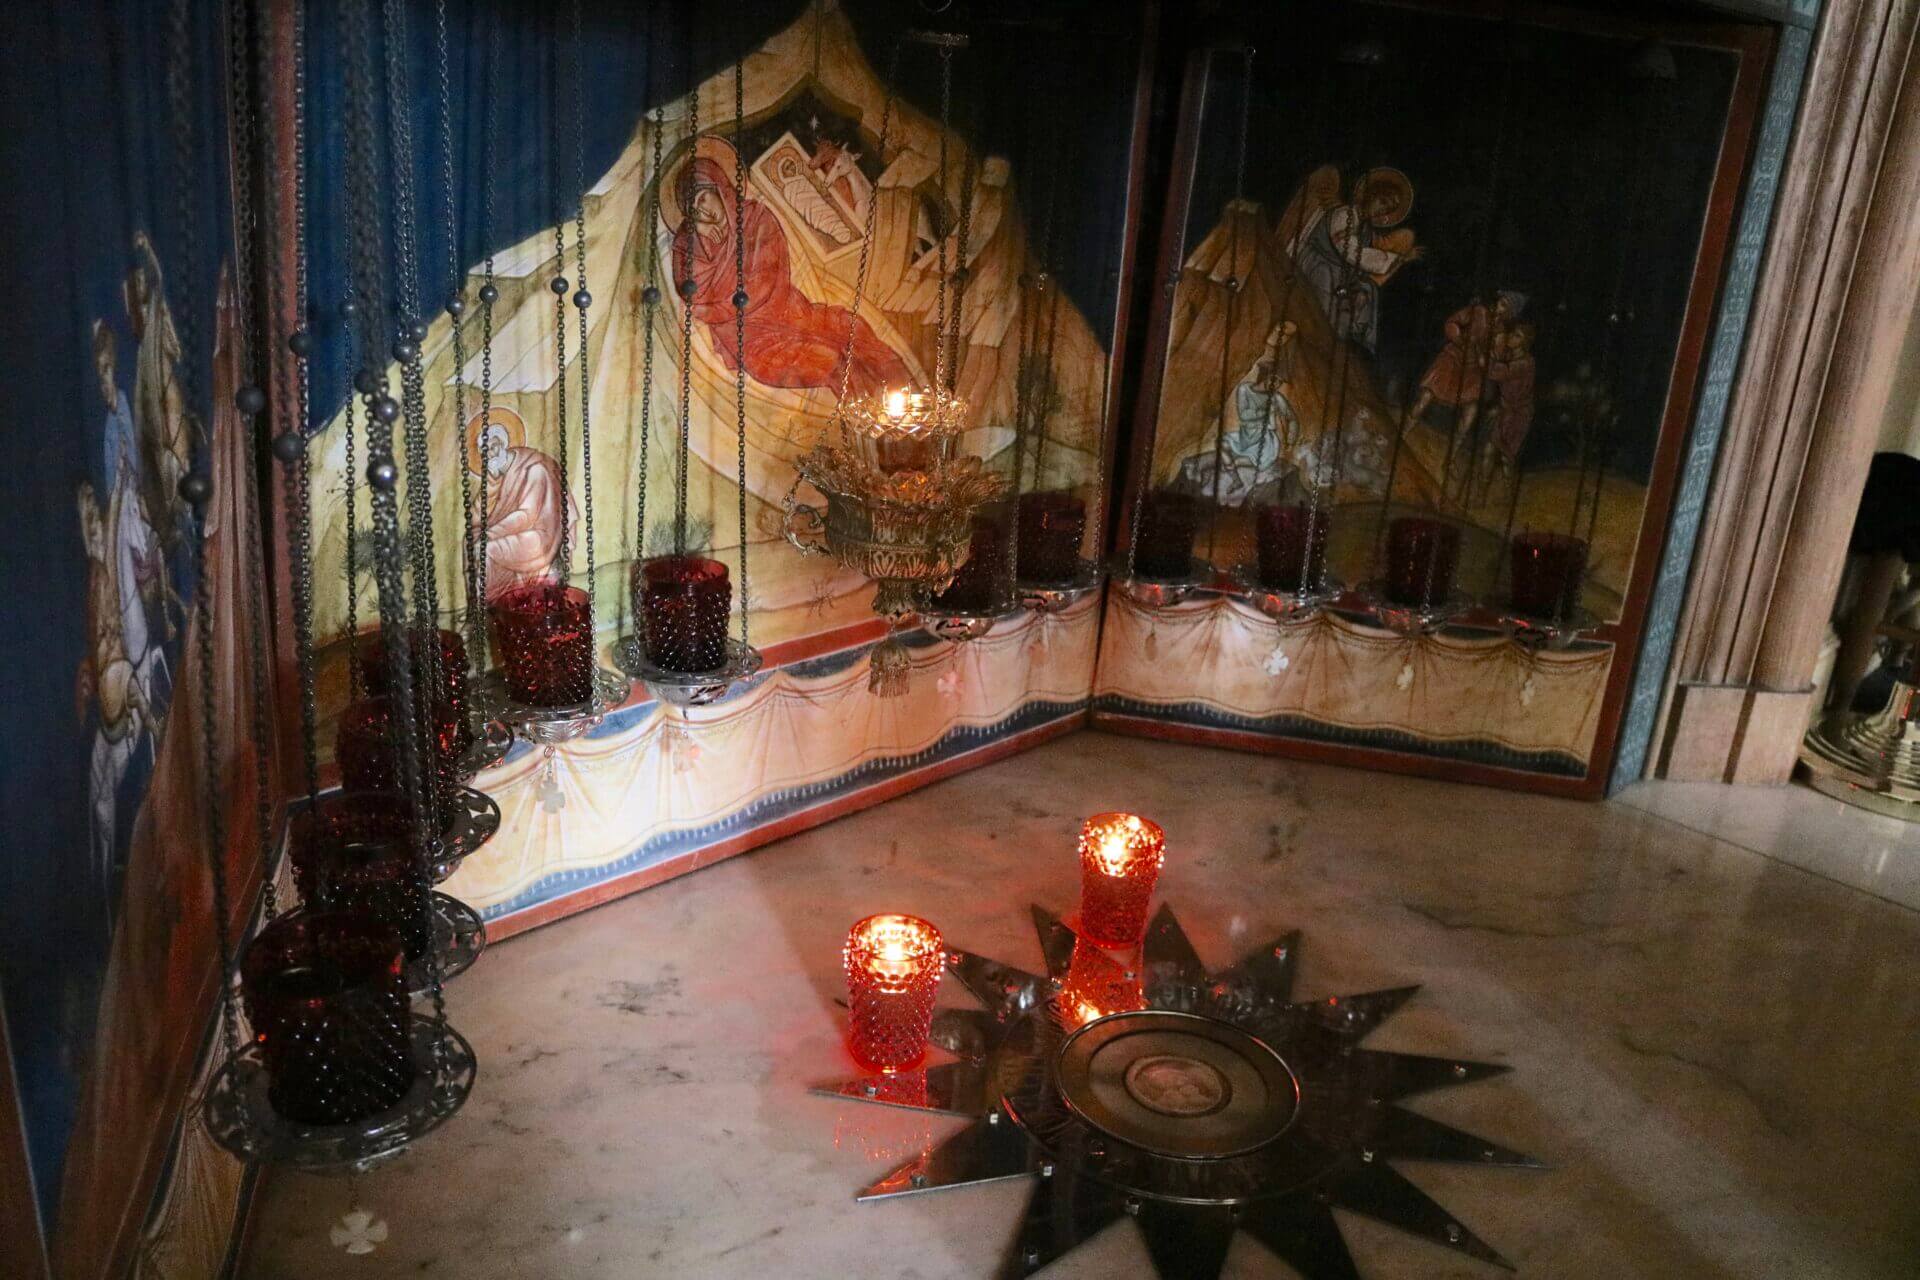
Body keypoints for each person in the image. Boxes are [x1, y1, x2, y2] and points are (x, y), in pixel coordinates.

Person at [669, 140, 911, 394]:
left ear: (719, 187)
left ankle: (911, 397)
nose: (704, 211)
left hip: (791, 315)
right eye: (694, 211)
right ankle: (864, 415)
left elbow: (765, 281)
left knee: (849, 326)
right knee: (830, 360)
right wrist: (699, 238)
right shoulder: (689, 250)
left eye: (703, 198)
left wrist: (727, 301)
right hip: (755, 343)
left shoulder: (756, 217)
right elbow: (696, 299)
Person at [1284, 166, 1423, 352]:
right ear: (1370, 195)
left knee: (1367, 290)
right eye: (1382, 201)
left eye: (1388, 208)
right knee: (1326, 291)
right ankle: (1315, 340)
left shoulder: (1365, 229)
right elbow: (1351, 253)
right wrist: (1400, 258)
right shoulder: (1345, 214)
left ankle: (1345, 342)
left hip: (1338, 272)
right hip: (1317, 263)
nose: (1383, 209)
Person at [1406, 290, 1525, 483]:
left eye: (1507, 309)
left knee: (1469, 416)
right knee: (1425, 398)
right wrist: (1460, 338)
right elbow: (1452, 323)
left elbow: (1494, 357)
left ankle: (1449, 460)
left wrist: (1484, 356)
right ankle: (1403, 433)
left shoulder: (1501, 333)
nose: (1501, 309)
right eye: (1502, 303)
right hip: (1452, 360)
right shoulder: (1478, 311)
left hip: (1473, 374)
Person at [1176, 324, 1301, 506]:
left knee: (1250, 459)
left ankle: (1242, 478)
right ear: (1265, 376)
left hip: (1264, 442)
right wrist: (1265, 413)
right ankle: (1236, 480)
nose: (1276, 384)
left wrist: (1290, 439)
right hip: (1245, 436)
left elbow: (1292, 418)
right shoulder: (1245, 390)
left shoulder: (1276, 398)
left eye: (1279, 382)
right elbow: (1245, 415)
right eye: (1274, 380)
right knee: (1222, 445)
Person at [470, 419, 579, 600]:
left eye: (493, 447)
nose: (491, 454)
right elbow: (476, 515)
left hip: (540, 536)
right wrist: (491, 486)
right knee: (472, 542)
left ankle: (492, 604)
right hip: (516, 532)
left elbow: (526, 516)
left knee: (486, 550)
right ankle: (497, 602)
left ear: (503, 444)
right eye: (485, 451)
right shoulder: (496, 477)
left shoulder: (534, 469)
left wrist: (490, 534)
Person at [1474, 322, 1537, 503]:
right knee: (1489, 450)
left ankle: (1509, 495)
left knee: (1506, 455)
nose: (1511, 337)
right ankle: (1481, 495)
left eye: (1517, 336)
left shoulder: (1525, 363)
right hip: (1505, 410)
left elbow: (1494, 372)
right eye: (1513, 333)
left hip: (1518, 415)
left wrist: (1480, 353)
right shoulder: (1510, 355)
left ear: (1524, 342)